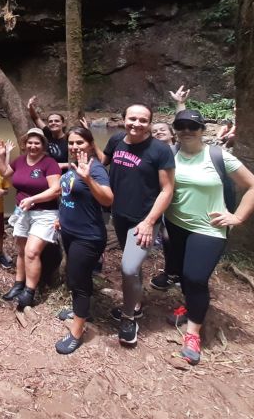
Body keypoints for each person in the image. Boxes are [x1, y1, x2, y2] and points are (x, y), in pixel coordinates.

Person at [166, 109, 254, 364]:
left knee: (195, 278)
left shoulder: (219, 156)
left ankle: (193, 334)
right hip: (176, 225)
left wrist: (238, 217)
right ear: (176, 129)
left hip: (209, 228)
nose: (187, 130)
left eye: (193, 126)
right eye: (181, 126)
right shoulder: (171, 154)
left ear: (202, 130)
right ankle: (189, 308)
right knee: (183, 275)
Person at [98, 104, 175, 346]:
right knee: (134, 264)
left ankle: (129, 317)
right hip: (119, 216)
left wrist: (150, 222)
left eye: (143, 120)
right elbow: (102, 163)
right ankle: (137, 304)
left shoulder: (160, 150)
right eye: (132, 119)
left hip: (143, 220)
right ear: (123, 119)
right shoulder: (117, 140)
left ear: (150, 123)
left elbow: (167, 190)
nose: (137, 124)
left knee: (129, 268)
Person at [54, 127, 113, 355]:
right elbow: (68, 194)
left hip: (87, 236)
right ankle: (81, 310)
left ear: (89, 143)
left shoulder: (95, 169)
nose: (74, 147)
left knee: (77, 281)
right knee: (78, 277)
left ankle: (77, 332)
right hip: (69, 231)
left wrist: (88, 179)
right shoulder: (73, 166)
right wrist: (61, 216)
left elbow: (108, 200)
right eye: (71, 143)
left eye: (79, 142)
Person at [0, 128, 61, 310]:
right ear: (25, 144)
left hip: (45, 213)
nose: (33, 146)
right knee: (22, 250)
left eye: (37, 143)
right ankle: (18, 284)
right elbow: (5, 174)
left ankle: (30, 292)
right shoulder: (19, 160)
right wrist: (1, 156)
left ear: (43, 145)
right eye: (30, 143)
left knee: (32, 252)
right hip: (22, 211)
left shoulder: (50, 163)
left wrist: (33, 199)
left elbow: (56, 189)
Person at [149, 120, 181, 291]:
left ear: (171, 133)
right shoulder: (151, 152)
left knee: (174, 238)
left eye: (163, 130)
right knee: (167, 239)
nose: (158, 132)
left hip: (180, 202)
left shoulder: (179, 150)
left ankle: (179, 274)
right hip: (159, 201)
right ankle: (171, 273)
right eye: (154, 131)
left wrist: (180, 104)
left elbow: (183, 129)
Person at [27, 95, 69, 172]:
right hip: (45, 172)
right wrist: (30, 106)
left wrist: (63, 165)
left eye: (57, 121)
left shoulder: (68, 139)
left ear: (63, 124)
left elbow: (79, 162)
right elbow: (36, 118)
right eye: (50, 121)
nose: (53, 123)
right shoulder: (47, 133)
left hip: (62, 175)